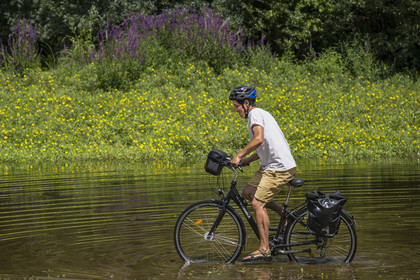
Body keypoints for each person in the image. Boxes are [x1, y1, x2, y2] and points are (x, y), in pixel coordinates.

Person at [229, 85, 297, 262]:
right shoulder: (259, 114)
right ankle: (286, 216)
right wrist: (246, 161)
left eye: (236, 106)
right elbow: (263, 147)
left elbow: (258, 139)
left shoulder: (255, 114)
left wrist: (239, 155)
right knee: (248, 193)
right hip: (269, 165)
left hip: (279, 167)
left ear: (246, 103)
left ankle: (264, 248)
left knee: (257, 204)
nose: (235, 110)